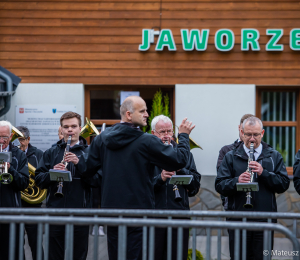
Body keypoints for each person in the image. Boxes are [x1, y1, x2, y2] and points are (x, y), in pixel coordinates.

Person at [76, 96, 195, 260]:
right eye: (143, 110)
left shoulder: (102, 139)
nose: (147, 114)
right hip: (140, 213)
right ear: (128, 114)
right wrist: (183, 136)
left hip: (112, 213)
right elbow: (179, 160)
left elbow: (86, 171)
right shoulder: (147, 141)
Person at [215, 116, 290, 260]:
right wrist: (237, 182)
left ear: (262, 133)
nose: (252, 139)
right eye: (248, 134)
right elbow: (219, 185)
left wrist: (264, 173)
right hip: (238, 221)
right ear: (241, 133)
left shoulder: (273, 156)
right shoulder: (230, 157)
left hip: (265, 222)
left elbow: (283, 184)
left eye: (255, 135)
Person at [35, 112, 99, 260]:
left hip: (81, 213)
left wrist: (80, 163)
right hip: (56, 212)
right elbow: (39, 179)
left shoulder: (90, 153)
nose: (70, 130)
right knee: (54, 254)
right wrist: (53, 174)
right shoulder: (51, 152)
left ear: (80, 128)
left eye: (74, 126)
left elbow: (97, 181)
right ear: (61, 129)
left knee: (79, 254)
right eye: (66, 127)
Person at [151, 115, 201, 260]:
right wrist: (160, 179)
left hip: (179, 215)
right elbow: (141, 186)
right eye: (162, 132)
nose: (167, 136)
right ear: (153, 133)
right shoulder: (147, 154)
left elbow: (195, 186)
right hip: (154, 217)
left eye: (169, 131)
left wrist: (179, 169)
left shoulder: (184, 154)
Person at [0, 121, 29, 260]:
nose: (1, 141)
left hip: (12, 213)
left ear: (11, 136)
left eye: (4, 137)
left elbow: (23, 183)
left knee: (14, 252)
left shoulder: (19, 154)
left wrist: (10, 169)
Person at [16, 126, 44, 260]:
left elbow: (41, 175)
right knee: (16, 242)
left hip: (33, 206)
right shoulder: (12, 153)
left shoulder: (38, 154)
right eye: (16, 139)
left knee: (35, 242)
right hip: (16, 203)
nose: (19, 142)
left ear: (28, 140)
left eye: (21, 139)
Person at [216, 114, 254, 210]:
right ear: (239, 128)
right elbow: (221, 179)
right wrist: (238, 180)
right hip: (233, 203)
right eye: (244, 130)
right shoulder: (226, 150)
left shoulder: (262, 151)